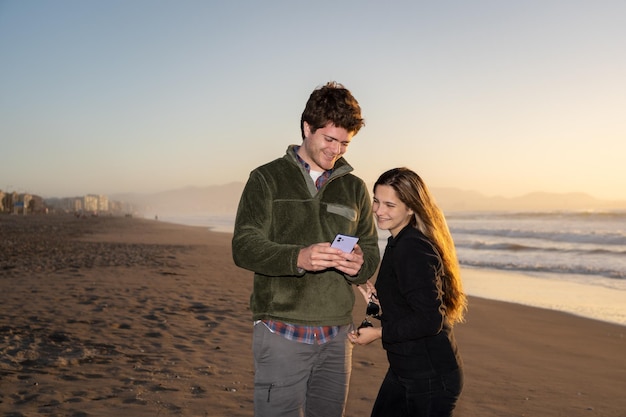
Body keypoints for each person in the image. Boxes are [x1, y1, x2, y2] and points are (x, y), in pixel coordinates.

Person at [232, 81, 380, 417]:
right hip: (281, 330)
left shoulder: (355, 188)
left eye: (345, 143)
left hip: (337, 337)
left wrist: (359, 264)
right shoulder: (265, 179)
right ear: (306, 128)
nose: (337, 150)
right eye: (330, 140)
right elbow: (243, 246)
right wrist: (298, 257)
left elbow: (371, 251)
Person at [348, 167, 467, 417]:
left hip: (430, 377)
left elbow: (429, 319)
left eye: (390, 205)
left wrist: (379, 333)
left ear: (411, 208)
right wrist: (378, 305)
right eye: (377, 201)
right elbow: (411, 304)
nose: (379, 211)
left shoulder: (411, 248)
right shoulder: (398, 241)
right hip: (406, 369)